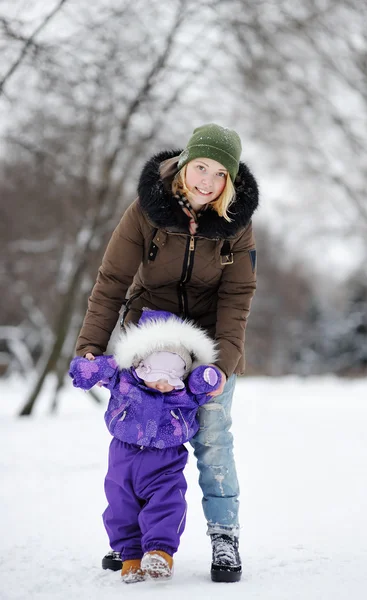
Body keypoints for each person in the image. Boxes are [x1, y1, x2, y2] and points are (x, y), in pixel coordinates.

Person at [75, 123, 259, 582]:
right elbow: (112, 282)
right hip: (150, 343)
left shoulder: (237, 227)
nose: (207, 181)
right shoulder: (145, 212)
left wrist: (220, 368)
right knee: (137, 439)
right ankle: (133, 543)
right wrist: (91, 350)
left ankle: (224, 537)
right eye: (201, 167)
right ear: (183, 165)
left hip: (210, 343)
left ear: (230, 181)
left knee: (213, 440)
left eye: (220, 174)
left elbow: (238, 299)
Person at [70, 309, 221, 583]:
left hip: (166, 460)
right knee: (120, 506)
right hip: (123, 457)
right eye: (159, 376)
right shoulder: (123, 378)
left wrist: (207, 376)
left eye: (173, 378)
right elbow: (98, 369)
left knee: (167, 502)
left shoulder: (184, 392)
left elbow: (204, 382)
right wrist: (86, 368)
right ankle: (131, 557)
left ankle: (160, 552)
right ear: (140, 365)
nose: (165, 385)